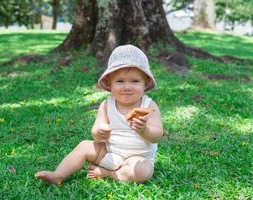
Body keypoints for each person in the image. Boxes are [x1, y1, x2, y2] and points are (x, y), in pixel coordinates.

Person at [35, 44, 163, 184]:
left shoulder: (149, 105)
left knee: (143, 171)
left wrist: (145, 129)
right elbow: (95, 133)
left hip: (137, 158)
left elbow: (157, 135)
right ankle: (58, 175)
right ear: (109, 84)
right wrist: (100, 131)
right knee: (84, 145)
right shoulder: (107, 105)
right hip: (109, 153)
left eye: (135, 81)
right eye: (120, 81)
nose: (127, 87)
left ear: (145, 83)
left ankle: (109, 173)